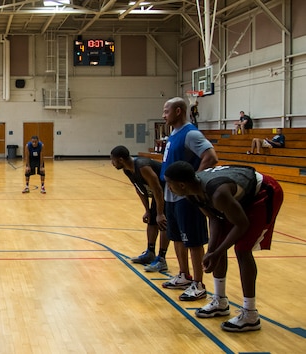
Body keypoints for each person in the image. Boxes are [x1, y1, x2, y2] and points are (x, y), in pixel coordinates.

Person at [164, 162, 283, 332]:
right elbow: (214, 218)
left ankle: (250, 314)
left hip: (263, 192)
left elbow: (242, 224)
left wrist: (217, 252)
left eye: (170, 184)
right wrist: (212, 250)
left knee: (242, 249)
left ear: (181, 184)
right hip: (236, 195)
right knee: (218, 244)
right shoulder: (192, 193)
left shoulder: (217, 193)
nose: (168, 187)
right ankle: (220, 301)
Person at [160, 97, 219, 301]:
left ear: (178, 111)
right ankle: (184, 275)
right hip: (170, 194)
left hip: (185, 196)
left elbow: (211, 156)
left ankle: (198, 283)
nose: (163, 115)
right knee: (176, 236)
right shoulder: (173, 134)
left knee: (192, 239)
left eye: (166, 111)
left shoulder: (190, 133)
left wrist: (193, 181)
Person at [110, 146, 169, 271]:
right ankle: (150, 253)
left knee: (162, 223)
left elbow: (158, 190)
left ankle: (162, 258)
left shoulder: (143, 167)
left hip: (168, 193)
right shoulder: (127, 170)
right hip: (157, 195)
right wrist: (147, 210)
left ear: (120, 160)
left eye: (113, 160)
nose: (112, 163)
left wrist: (160, 213)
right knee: (151, 221)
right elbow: (139, 189)